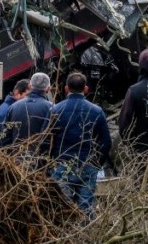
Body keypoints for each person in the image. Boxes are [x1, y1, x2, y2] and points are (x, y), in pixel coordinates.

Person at [47, 72, 112, 219]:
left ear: (66, 89)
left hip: (62, 164)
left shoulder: (56, 110)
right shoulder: (96, 111)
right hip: (87, 164)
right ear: (86, 89)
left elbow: (46, 139)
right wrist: (96, 163)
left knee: (63, 208)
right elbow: (106, 142)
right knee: (86, 208)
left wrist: (50, 162)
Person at [0, 71, 54, 150]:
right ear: (49, 89)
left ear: (30, 86)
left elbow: (5, 137)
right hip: (41, 159)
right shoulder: (52, 108)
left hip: (16, 158)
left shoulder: (13, 107)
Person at [0, 78, 30, 146]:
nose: (30, 99)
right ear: (17, 93)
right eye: (27, 95)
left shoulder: (10, 108)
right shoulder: (5, 112)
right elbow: (3, 139)